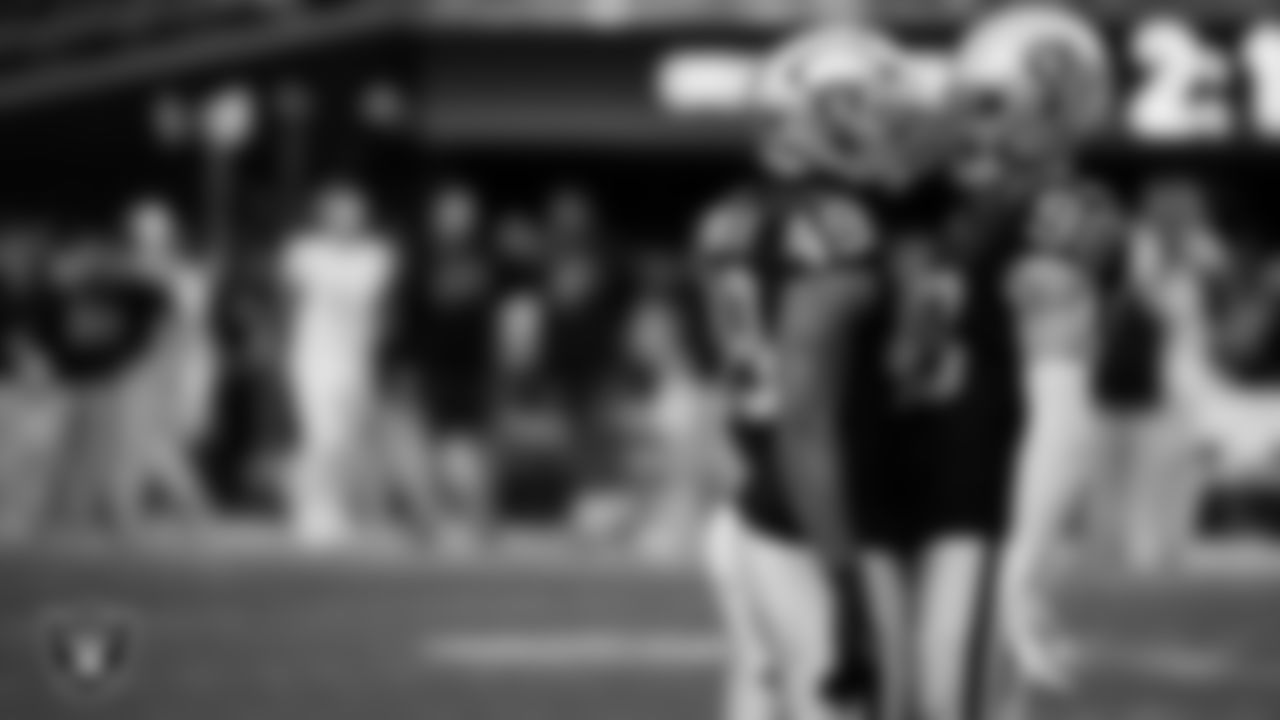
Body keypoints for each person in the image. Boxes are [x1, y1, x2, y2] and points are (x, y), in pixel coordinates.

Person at [698, 24, 924, 720]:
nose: (893, 132)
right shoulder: (836, 228)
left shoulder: (728, 216)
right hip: (818, 520)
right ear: (827, 114)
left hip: (752, 508)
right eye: (875, 112)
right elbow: (806, 413)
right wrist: (844, 573)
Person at [280, 183, 395, 547]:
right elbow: (289, 300)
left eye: (352, 215)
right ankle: (311, 513)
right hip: (312, 358)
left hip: (355, 360)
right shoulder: (302, 253)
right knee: (319, 435)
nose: (345, 221)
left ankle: (335, 509)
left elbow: (377, 305)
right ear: (324, 217)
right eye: (338, 214)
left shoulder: (377, 257)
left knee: (346, 441)